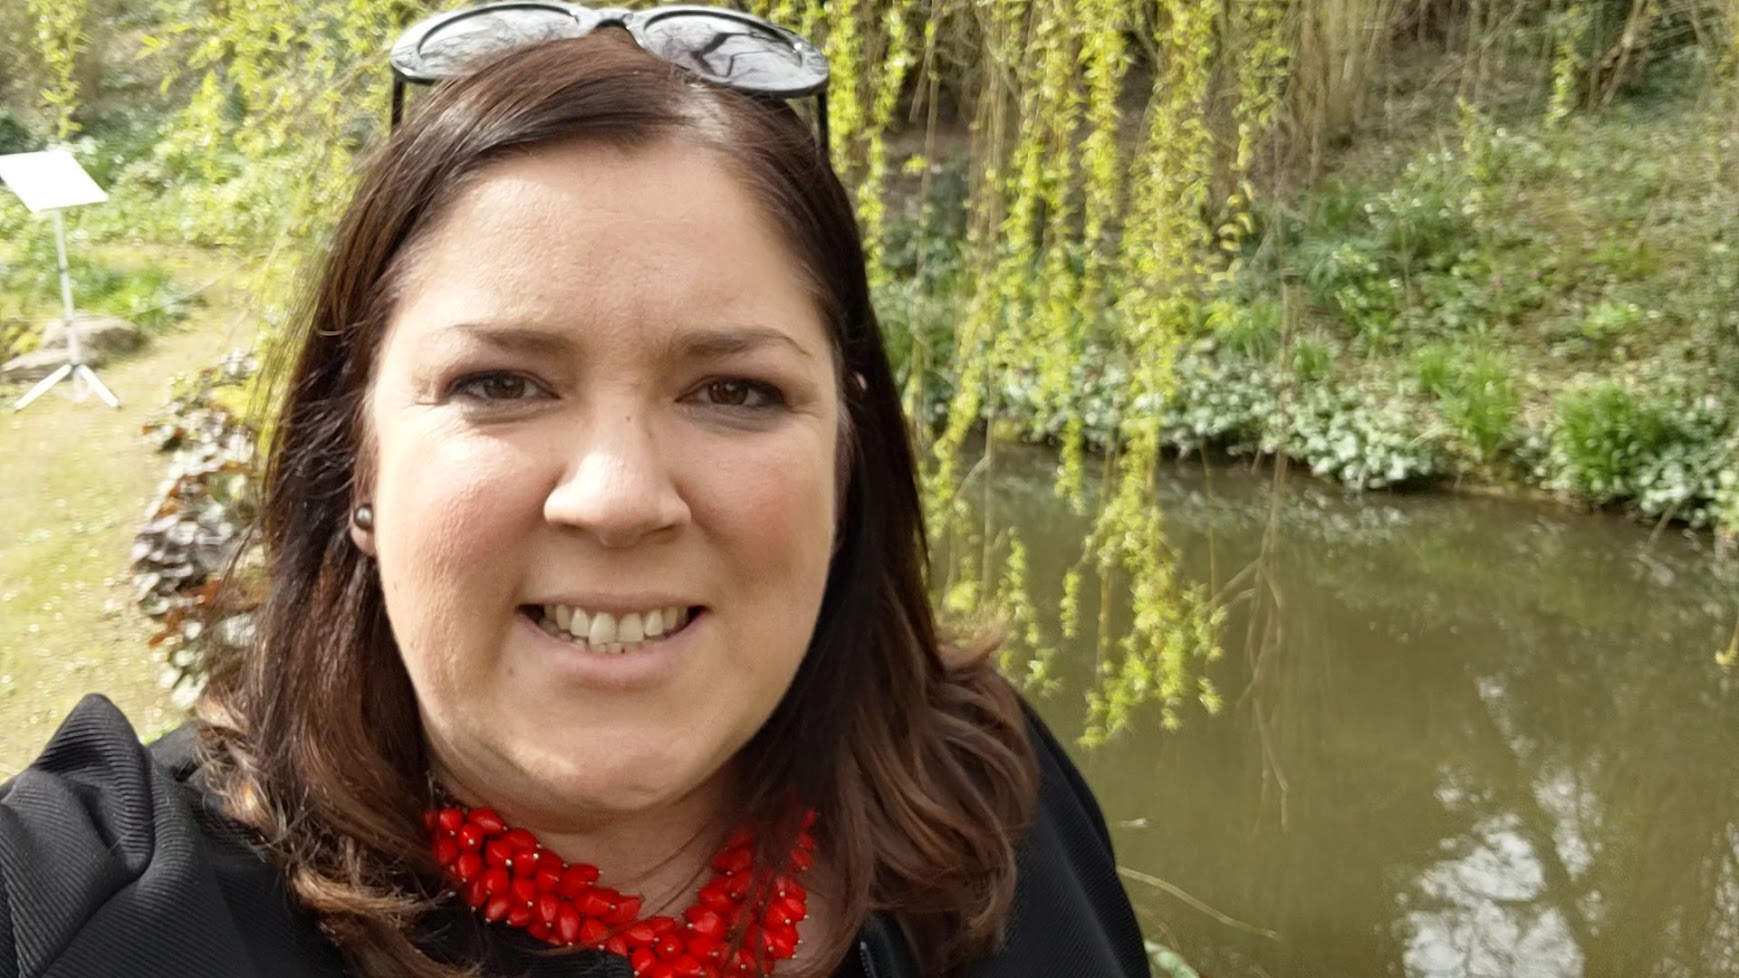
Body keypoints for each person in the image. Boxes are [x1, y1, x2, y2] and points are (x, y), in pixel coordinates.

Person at [0, 5, 1149, 977]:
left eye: (735, 392)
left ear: (848, 449)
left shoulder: (1000, 802)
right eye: (500, 382)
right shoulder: (99, 914)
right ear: (358, 454)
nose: (615, 497)